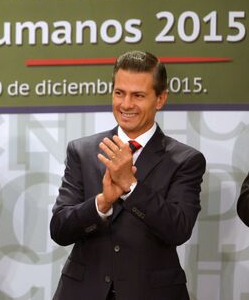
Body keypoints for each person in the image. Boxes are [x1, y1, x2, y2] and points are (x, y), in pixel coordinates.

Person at [50, 51, 206, 300]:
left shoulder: (185, 160)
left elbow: (178, 229)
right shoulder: (82, 151)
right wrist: (101, 203)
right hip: (83, 292)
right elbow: (59, 229)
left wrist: (131, 186)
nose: (126, 105)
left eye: (138, 95)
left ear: (160, 99)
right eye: (119, 93)